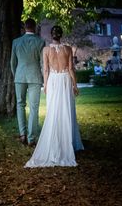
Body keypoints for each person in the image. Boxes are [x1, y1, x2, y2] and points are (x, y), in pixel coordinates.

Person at [25, 25, 83, 168]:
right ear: (61, 35)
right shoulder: (68, 49)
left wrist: (45, 85)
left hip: (53, 80)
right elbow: (71, 69)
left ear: (51, 35)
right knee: (67, 110)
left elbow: (45, 69)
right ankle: (67, 141)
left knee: (53, 111)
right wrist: (75, 85)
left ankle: (56, 141)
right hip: (64, 80)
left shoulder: (46, 50)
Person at [11, 18, 45, 147]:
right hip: (35, 77)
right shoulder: (40, 42)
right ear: (34, 27)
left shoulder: (16, 42)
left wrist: (17, 75)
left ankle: (22, 134)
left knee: (20, 104)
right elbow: (42, 63)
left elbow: (12, 63)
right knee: (34, 107)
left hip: (19, 77)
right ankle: (31, 138)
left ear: (25, 27)